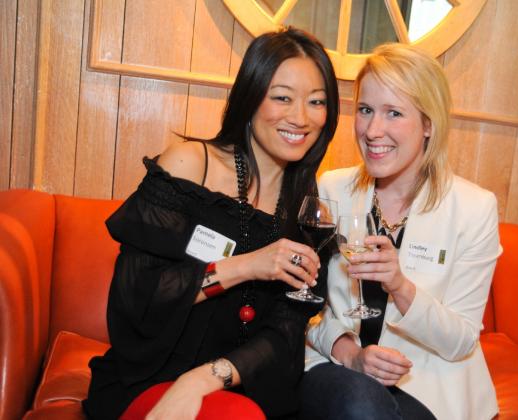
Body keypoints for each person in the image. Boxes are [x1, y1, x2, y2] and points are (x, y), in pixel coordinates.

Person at [83, 27, 339, 420]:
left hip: (231, 385)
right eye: (282, 97)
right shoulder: (189, 166)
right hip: (150, 377)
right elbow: (136, 299)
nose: (301, 117)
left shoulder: (305, 206)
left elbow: (284, 334)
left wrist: (203, 379)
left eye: (316, 102)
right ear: (250, 97)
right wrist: (245, 266)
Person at [300, 43, 501, 420]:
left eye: (393, 112)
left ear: (428, 124)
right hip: (340, 368)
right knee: (360, 405)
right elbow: (306, 306)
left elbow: (460, 341)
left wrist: (401, 287)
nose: (373, 130)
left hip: (427, 383)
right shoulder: (332, 190)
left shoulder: (474, 208)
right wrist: (349, 352)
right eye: (365, 110)